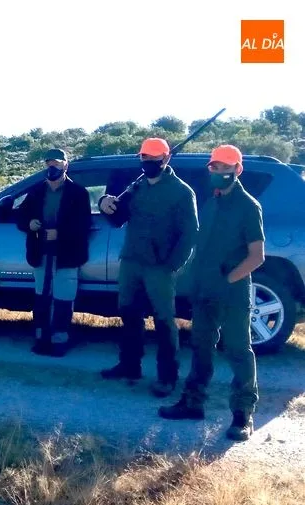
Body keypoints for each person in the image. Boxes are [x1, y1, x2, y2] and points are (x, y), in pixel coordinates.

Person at [159, 145, 264, 442]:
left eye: (225, 167)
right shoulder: (211, 203)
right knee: (201, 346)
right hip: (203, 291)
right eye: (215, 167)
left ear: (238, 169)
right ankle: (193, 403)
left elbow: (257, 256)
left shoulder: (248, 206)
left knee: (238, 351)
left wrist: (228, 279)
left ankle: (243, 415)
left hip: (232, 293)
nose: (219, 172)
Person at [98, 137, 198, 397]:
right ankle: (130, 366)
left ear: (166, 159)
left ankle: (168, 377)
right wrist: (104, 203)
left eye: (154, 159)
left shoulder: (182, 191)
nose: (149, 163)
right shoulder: (137, 186)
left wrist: (172, 266)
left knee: (164, 321)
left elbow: (189, 234)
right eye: (144, 158)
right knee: (129, 314)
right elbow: (117, 219)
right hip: (131, 261)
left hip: (159, 266)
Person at [16, 148, 92, 357]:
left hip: (67, 255)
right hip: (41, 253)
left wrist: (59, 233)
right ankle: (41, 338)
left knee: (63, 299)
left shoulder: (79, 193)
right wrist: (29, 223)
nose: (53, 168)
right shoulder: (35, 192)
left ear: (66, 165)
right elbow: (21, 217)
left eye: (57, 163)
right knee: (42, 297)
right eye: (49, 163)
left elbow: (83, 224)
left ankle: (60, 340)